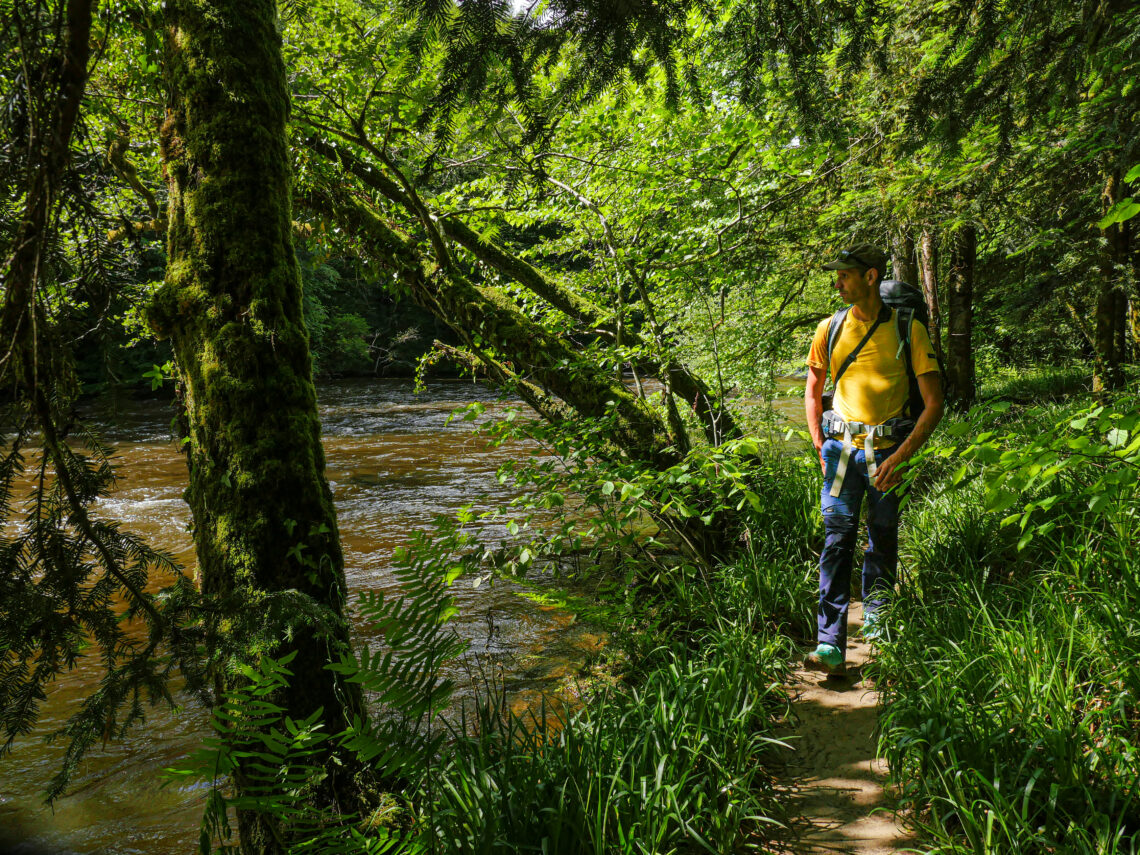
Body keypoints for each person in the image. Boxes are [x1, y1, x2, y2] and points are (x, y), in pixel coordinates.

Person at [802, 243, 944, 676]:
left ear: (870, 277)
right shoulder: (829, 328)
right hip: (840, 453)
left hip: (888, 454)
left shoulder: (907, 329)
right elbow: (812, 389)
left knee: (881, 540)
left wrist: (902, 456)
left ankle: (880, 632)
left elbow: (934, 403)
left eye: (846, 274)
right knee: (835, 541)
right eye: (837, 273)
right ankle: (830, 643)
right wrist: (818, 446)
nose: (838, 281)